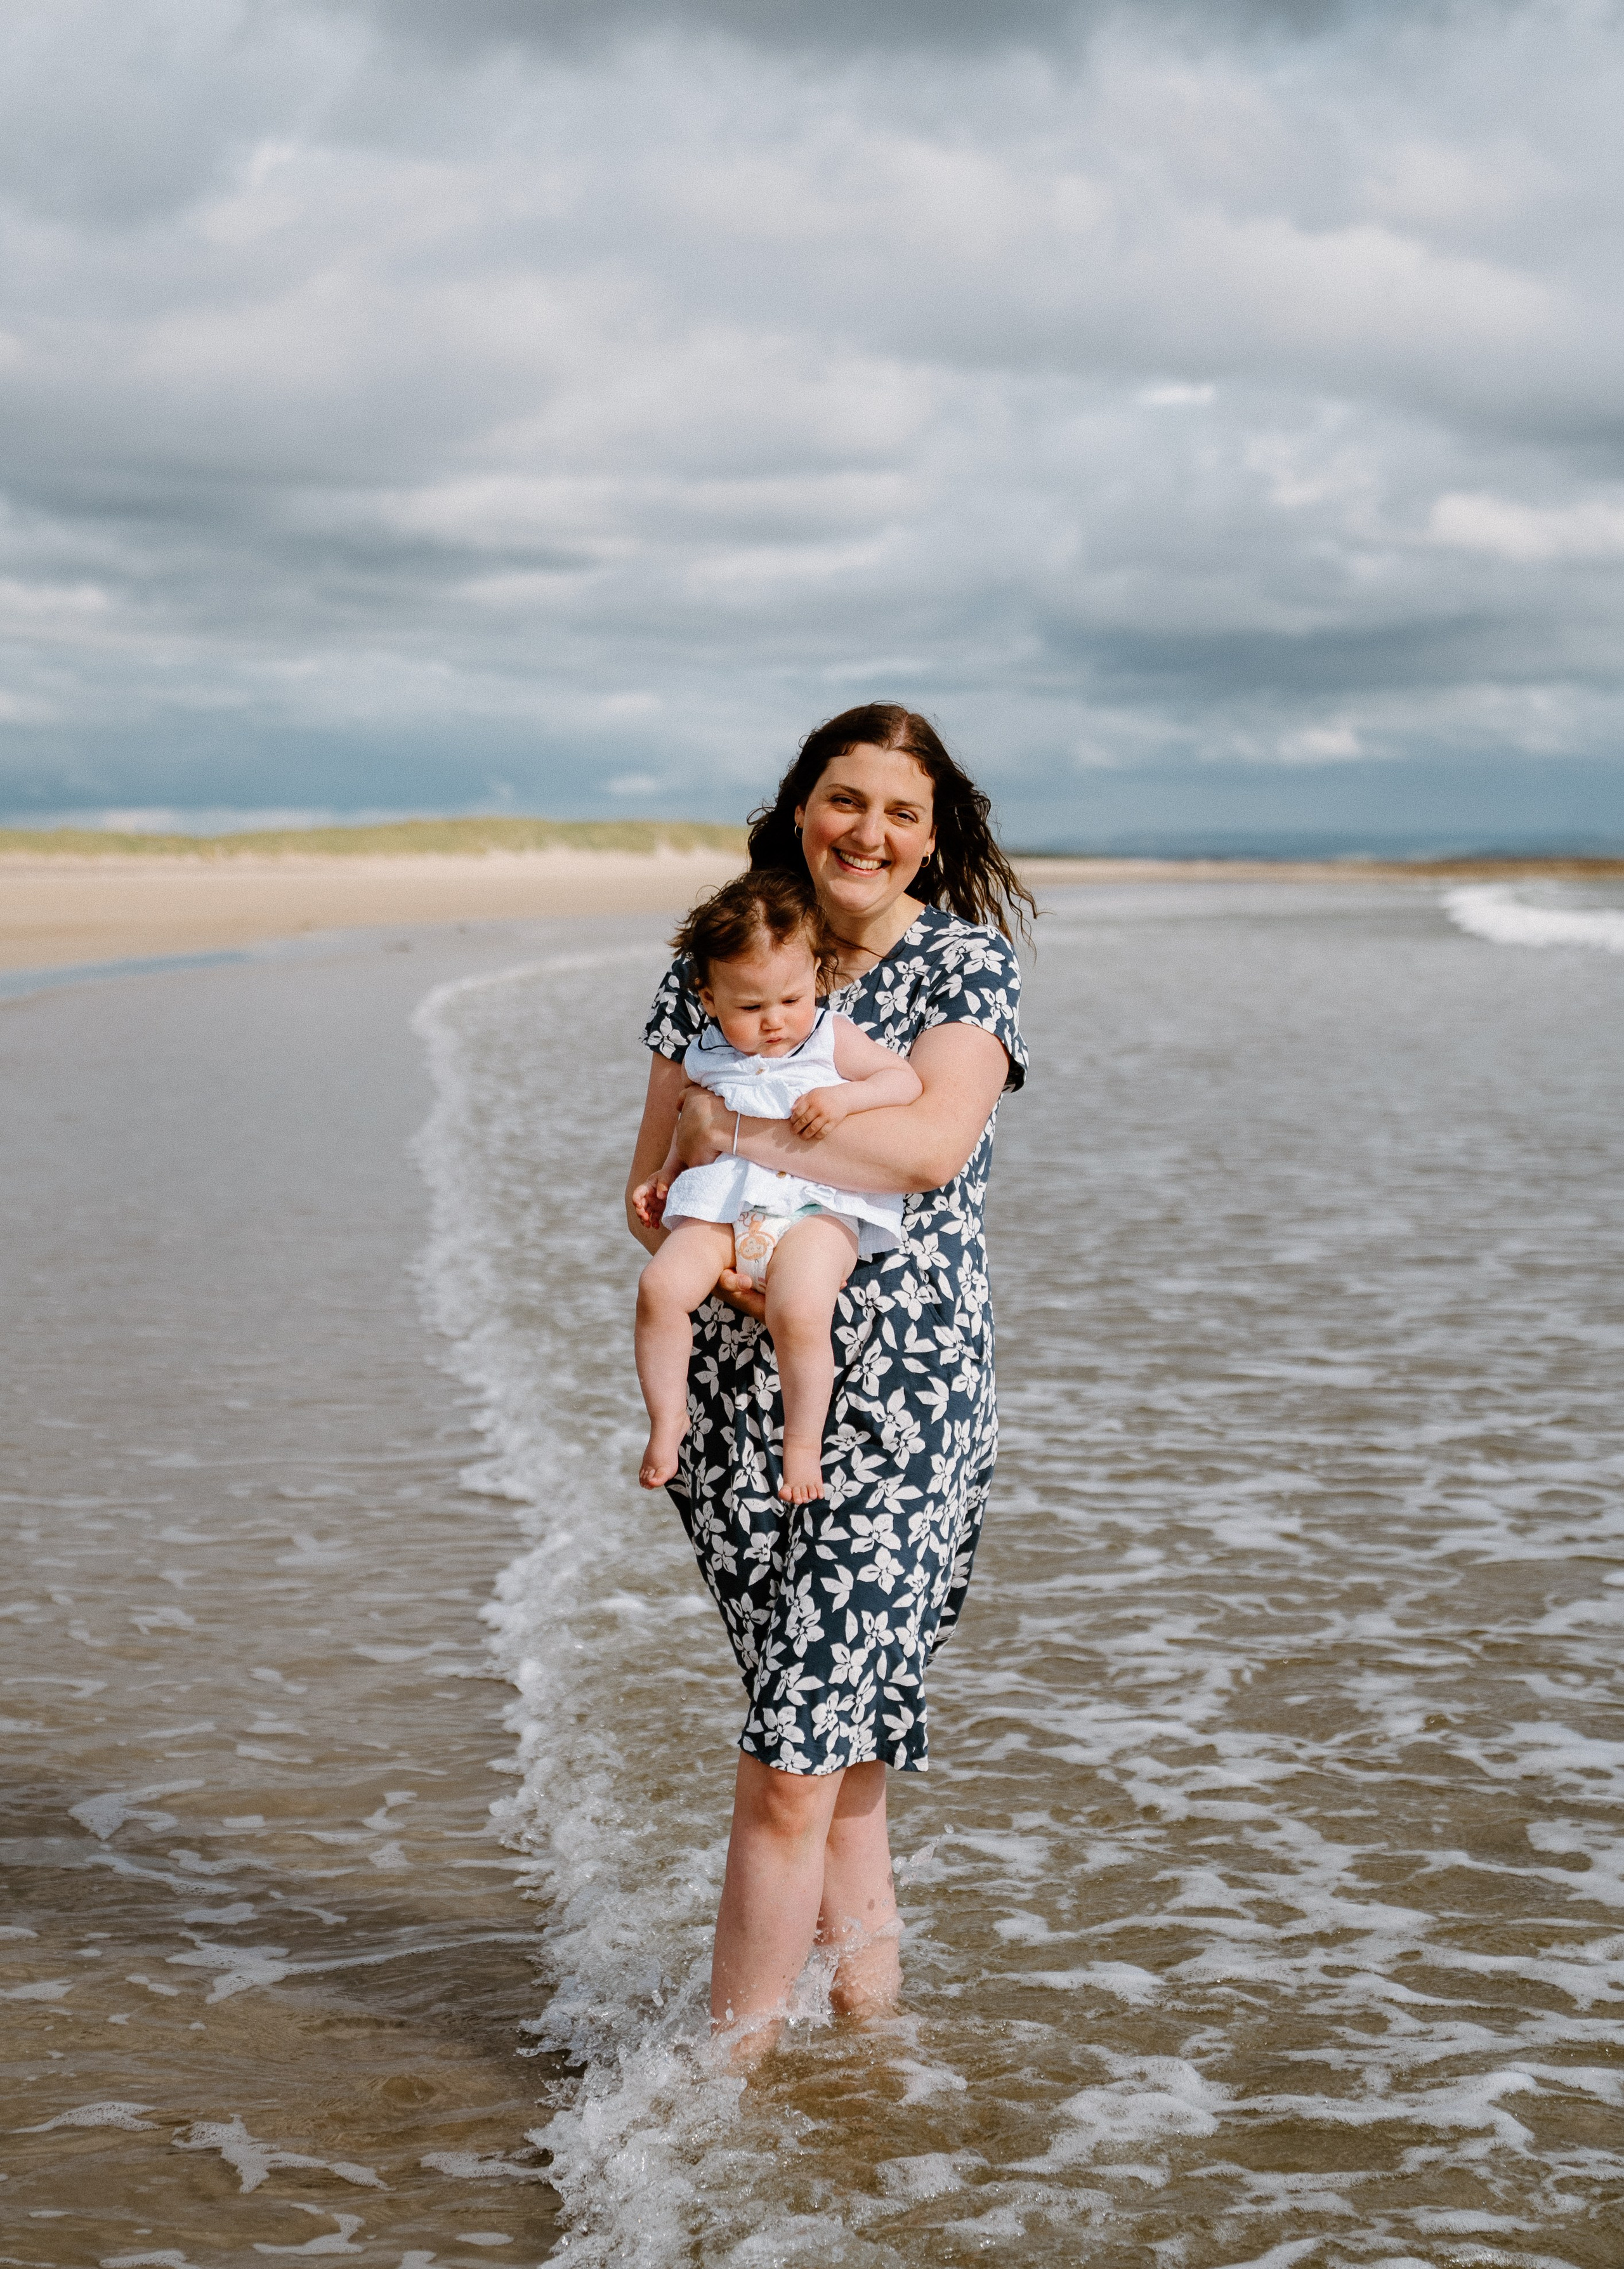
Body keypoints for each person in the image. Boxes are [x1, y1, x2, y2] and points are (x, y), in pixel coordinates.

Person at [625, 702, 1032, 2055]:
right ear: (801, 805)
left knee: (787, 1759)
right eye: (843, 800)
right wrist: (703, 1206)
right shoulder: (724, 953)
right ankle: (868, 2033)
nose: (869, 831)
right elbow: (651, 1176)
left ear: (933, 834)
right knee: (835, 1742)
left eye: (900, 811)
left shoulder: (965, 967)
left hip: (902, 1401)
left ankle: (713, 2102)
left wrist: (734, 1132)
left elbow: (922, 1151)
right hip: (743, 1392)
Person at [632, 870, 924, 1503]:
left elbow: (902, 1082)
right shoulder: (703, 1055)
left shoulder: (828, 1036)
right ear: (708, 999)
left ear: (816, 978)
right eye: (749, 1006)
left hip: (814, 1207)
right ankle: (667, 1418)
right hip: (721, 1208)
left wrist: (845, 1097)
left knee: (799, 1311)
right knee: (659, 1288)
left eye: (790, 999)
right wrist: (662, 1177)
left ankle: (802, 1446)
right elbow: (691, 1138)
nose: (774, 1022)